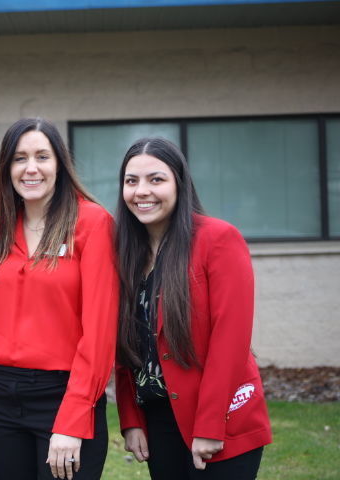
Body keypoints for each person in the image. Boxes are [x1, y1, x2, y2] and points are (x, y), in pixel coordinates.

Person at [0, 118, 119, 480]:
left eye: (42, 157)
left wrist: (73, 417)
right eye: (19, 158)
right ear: (7, 168)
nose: (30, 168)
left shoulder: (93, 224)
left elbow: (100, 332)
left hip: (63, 394)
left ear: (60, 166)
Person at [114, 137, 272, 479]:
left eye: (156, 179)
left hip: (220, 414)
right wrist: (131, 420)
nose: (142, 191)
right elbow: (126, 346)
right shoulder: (125, 253)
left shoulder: (218, 239)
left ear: (179, 184)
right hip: (157, 418)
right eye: (132, 181)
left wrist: (210, 425)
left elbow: (231, 340)